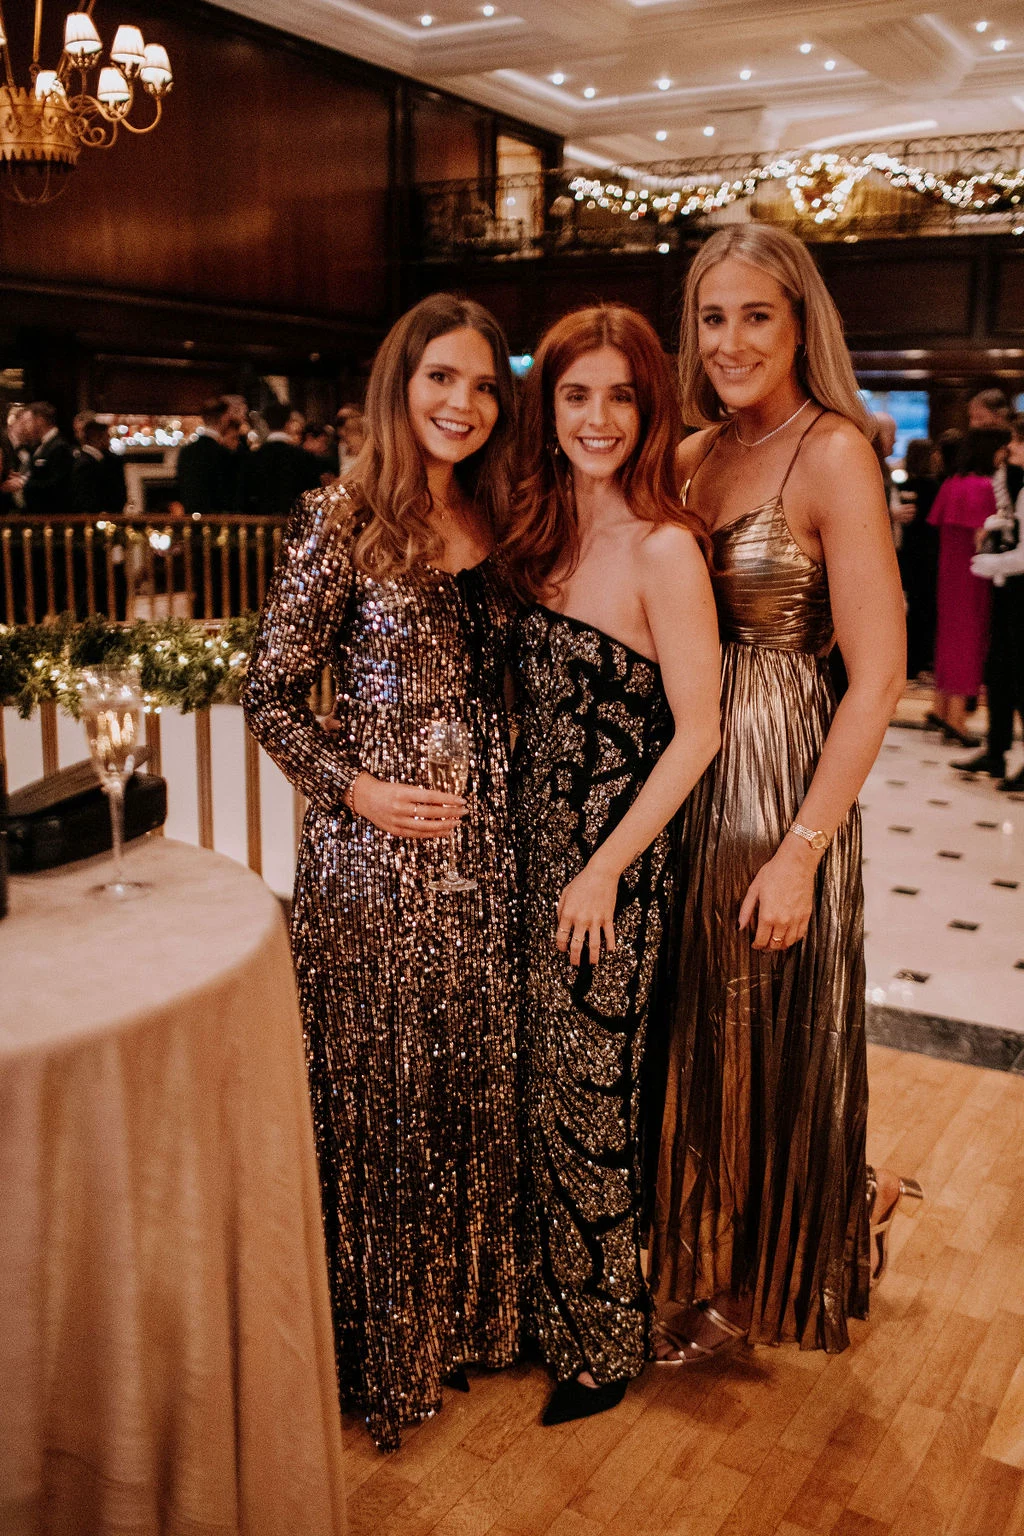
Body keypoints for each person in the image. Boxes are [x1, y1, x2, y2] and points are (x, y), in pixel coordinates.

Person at [244, 293, 522, 1451]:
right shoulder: (340, 515)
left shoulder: (500, 514)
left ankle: (464, 1322)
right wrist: (355, 788)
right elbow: (268, 694)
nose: (462, 402)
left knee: (466, 1082)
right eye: (439, 378)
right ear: (398, 385)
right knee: (383, 1099)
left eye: (483, 384)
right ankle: (378, 1350)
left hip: (485, 858)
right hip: (371, 867)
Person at [648, 224, 913, 1369]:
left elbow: (880, 675)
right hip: (682, 771)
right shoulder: (690, 453)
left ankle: (752, 1279)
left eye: (756, 315)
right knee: (692, 1028)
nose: (730, 341)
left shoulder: (834, 452)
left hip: (778, 783)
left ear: (802, 324)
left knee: (762, 1027)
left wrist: (805, 847)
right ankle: (769, 1227)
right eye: (712, 318)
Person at [504, 304, 721, 1426]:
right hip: (521, 857)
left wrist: (602, 871)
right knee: (532, 1094)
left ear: (650, 409)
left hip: (610, 877)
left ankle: (602, 1344)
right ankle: (540, 1310)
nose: (597, 418)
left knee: (592, 1104)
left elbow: (700, 732)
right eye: (576, 394)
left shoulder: (663, 547)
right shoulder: (536, 531)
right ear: (547, 406)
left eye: (621, 396)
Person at [926, 427, 1010, 747]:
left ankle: (941, 707)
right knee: (969, 640)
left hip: (948, 573)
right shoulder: (983, 486)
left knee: (948, 637)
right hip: (972, 574)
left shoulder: (953, 483)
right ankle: (957, 718)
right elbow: (981, 535)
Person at [959, 415, 1024, 790]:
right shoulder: (1014, 479)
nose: (1011, 446)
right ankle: (995, 751)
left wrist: (990, 564)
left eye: (1018, 441)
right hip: (1010, 590)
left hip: (1018, 588)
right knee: (999, 672)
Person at [895, 438, 940, 679]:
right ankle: (920, 661)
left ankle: (909, 663)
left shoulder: (903, 485)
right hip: (927, 556)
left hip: (906, 554)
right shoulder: (933, 487)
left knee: (910, 609)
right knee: (924, 608)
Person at [244, 398, 321, 516]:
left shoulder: (253, 457)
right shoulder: (304, 457)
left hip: (260, 522)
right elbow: (313, 494)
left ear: (266, 424)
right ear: (288, 423)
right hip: (295, 520)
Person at [175, 397, 242, 516]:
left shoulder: (186, 451)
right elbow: (229, 494)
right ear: (224, 418)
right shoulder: (224, 454)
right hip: (217, 520)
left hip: (190, 519)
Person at [18, 402, 75, 517]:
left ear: (40, 420)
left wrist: (23, 483)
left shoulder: (59, 446)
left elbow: (58, 485)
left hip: (53, 516)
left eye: (28, 421)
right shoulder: (41, 445)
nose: (25, 427)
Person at [71, 413, 128, 517]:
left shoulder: (100, 460)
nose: (109, 440)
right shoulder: (86, 465)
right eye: (107, 436)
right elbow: (87, 499)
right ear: (97, 438)